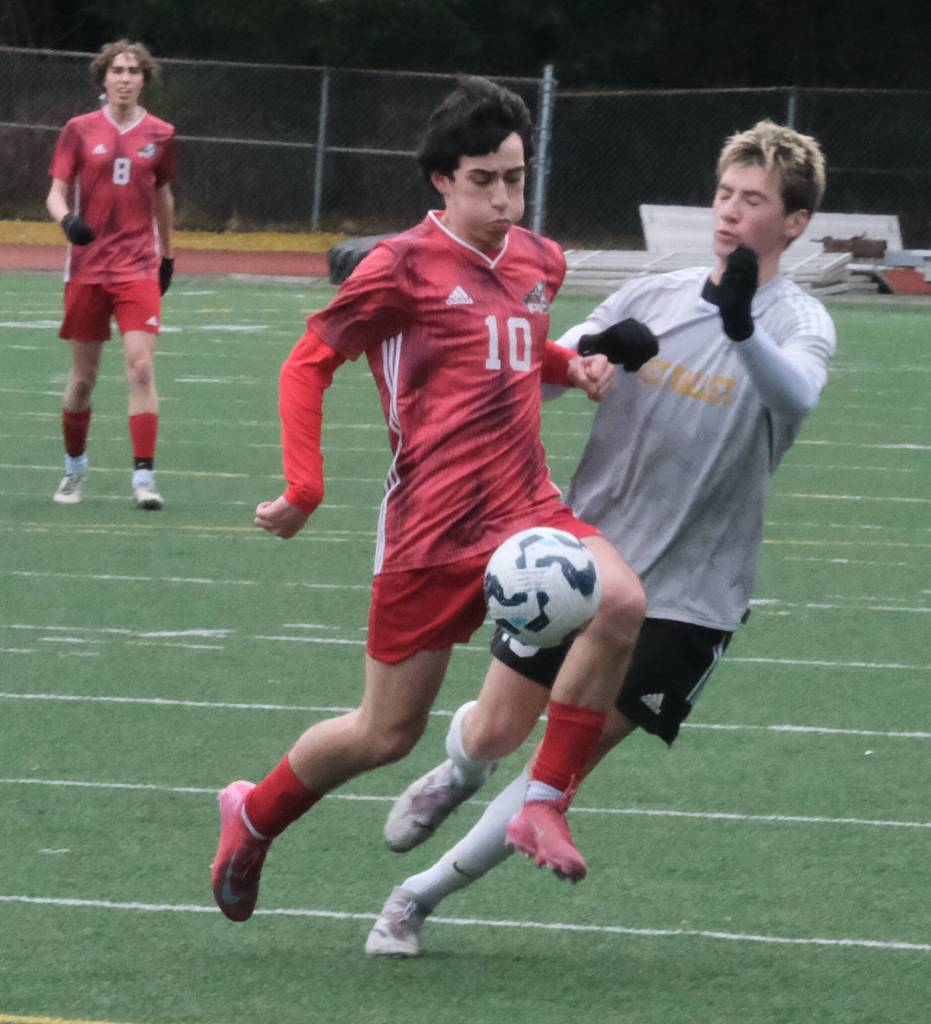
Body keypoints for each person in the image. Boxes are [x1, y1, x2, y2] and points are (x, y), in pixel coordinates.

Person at [365, 118, 836, 957]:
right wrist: (579, 358)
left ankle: (415, 898)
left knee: (557, 769)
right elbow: (532, 386)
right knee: (496, 734)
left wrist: (739, 328)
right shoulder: (654, 293)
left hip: (690, 599)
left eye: (753, 200)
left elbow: (795, 396)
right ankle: (461, 767)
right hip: (579, 563)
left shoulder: (799, 322)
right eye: (724, 193)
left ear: (793, 222)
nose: (729, 212)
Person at [210, 76, 656, 927]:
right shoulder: (400, 268)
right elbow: (307, 361)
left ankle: (542, 800)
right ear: (441, 181)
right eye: (483, 179)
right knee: (384, 735)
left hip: (525, 508)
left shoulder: (539, 261)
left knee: (623, 602)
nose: (502, 197)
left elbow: (517, 351)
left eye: (515, 178)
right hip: (428, 528)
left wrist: (576, 366)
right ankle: (254, 815)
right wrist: (305, 485)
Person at [46, 39, 176, 510]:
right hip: (87, 267)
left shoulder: (161, 133)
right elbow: (56, 192)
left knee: (141, 366)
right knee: (84, 378)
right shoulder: (78, 130)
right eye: (117, 70)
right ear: (104, 78)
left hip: (137, 265)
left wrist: (168, 255)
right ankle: (74, 470)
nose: (124, 78)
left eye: (133, 71)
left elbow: (163, 195)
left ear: (144, 79)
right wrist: (67, 221)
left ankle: (144, 477)